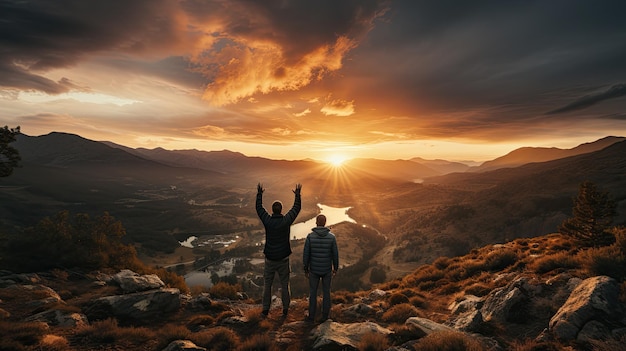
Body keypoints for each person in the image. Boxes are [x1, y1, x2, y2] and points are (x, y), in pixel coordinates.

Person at [256, 182, 302, 317]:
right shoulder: (286, 221)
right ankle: (286, 309)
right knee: (285, 284)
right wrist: (297, 195)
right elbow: (296, 209)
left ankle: (265, 310)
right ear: (281, 210)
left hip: (270, 259)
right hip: (283, 259)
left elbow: (259, 209)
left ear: (272, 210)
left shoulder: (268, 221)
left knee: (267, 284)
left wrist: (259, 194)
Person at [303, 214, 339, 322]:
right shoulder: (332, 237)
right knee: (326, 292)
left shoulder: (310, 236)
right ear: (325, 223)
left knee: (313, 292)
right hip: (327, 270)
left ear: (316, 222)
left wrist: (306, 268)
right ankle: (325, 316)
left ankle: (311, 316)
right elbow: (335, 255)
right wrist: (335, 268)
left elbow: (306, 255)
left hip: (314, 270)